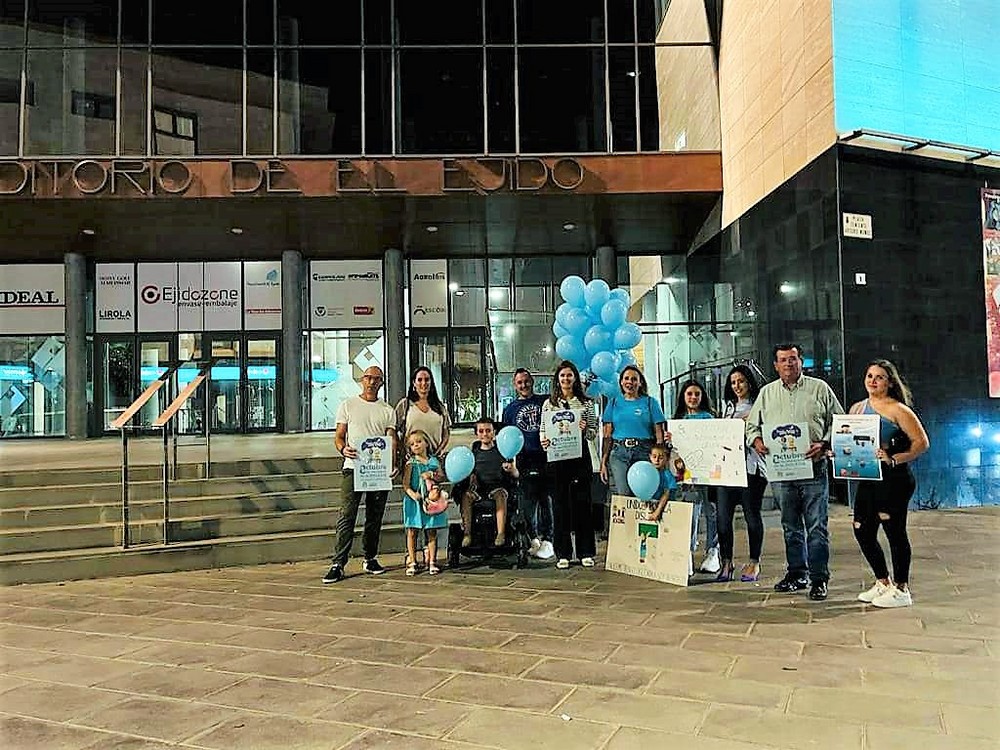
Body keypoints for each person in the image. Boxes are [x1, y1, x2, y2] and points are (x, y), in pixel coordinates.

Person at [746, 344, 845, 601]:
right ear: (776, 365)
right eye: (783, 360)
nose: (788, 364)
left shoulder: (819, 389)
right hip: (782, 473)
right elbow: (751, 427)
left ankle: (819, 579)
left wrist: (824, 443)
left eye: (793, 359)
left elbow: (840, 422)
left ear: (801, 361)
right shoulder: (767, 394)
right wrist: (756, 441)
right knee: (790, 526)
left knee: (817, 527)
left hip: (813, 469)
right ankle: (796, 574)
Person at [849, 359, 929, 608]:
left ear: (889, 382)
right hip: (868, 478)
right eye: (869, 375)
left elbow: (921, 442)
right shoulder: (857, 409)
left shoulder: (899, 410)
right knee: (861, 528)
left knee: (894, 531)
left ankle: (902, 588)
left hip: (894, 480)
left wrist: (894, 459)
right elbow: (849, 440)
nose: (873, 380)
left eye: (879, 377)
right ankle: (883, 581)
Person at [324, 366, 397, 584]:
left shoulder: (387, 410)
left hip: (377, 471)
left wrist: (392, 463)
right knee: (347, 515)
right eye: (368, 377)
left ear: (382, 382)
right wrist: (342, 448)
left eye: (376, 379)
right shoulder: (348, 405)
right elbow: (339, 436)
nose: (371, 382)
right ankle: (338, 563)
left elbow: (391, 439)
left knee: (375, 517)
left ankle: (370, 557)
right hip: (353, 467)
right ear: (361, 380)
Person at [540, 360, 598, 570]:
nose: (566, 379)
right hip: (557, 460)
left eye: (569, 375)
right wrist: (544, 441)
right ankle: (563, 553)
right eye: (562, 375)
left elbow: (593, 432)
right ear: (557, 379)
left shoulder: (587, 403)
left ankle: (586, 552)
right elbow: (543, 430)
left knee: (583, 505)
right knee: (560, 506)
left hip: (580, 459)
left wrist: (584, 429)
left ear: (575, 378)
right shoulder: (549, 404)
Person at [718, 364, 768, 582]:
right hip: (726, 470)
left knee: (752, 517)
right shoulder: (726, 408)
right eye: (733, 382)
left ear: (749, 382)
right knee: (722, 518)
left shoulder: (760, 406)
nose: (737, 386)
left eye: (741, 381)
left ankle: (754, 562)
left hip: (751, 469)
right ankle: (726, 562)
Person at [666, 379, 719, 573]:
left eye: (697, 394)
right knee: (690, 514)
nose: (693, 397)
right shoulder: (677, 420)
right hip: (687, 476)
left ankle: (713, 551)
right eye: (689, 394)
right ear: (683, 397)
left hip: (708, 474)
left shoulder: (710, 418)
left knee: (711, 512)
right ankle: (687, 551)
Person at [501, 368, 554, 559]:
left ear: (532, 381)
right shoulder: (510, 410)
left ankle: (549, 540)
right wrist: (510, 462)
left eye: (526, 381)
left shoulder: (545, 402)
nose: (523, 385)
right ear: (515, 386)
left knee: (546, 500)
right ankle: (533, 539)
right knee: (527, 503)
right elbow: (506, 438)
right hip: (523, 460)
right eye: (519, 382)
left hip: (546, 457)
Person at [599, 365, 666, 495]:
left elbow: (659, 433)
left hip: (645, 452)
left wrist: (661, 457)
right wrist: (603, 462)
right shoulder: (613, 403)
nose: (630, 382)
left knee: (644, 493)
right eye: (627, 379)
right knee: (624, 493)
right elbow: (607, 436)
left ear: (640, 382)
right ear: (621, 382)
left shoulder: (650, 402)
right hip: (619, 453)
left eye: (634, 379)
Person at [459, 418, 519, 548]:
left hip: (498, 487)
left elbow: (516, 474)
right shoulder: (473, 452)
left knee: (500, 494)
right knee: (466, 495)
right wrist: (470, 477)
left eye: (488, 431)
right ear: (477, 433)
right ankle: (467, 534)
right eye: (481, 431)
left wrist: (511, 469)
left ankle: (501, 533)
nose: (485, 434)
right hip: (479, 488)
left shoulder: (503, 450)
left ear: (494, 432)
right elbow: (468, 471)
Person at [401, 429, 449, 576]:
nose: (416, 445)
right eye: (412, 444)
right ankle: (413, 560)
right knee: (412, 531)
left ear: (426, 443)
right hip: (415, 501)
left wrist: (432, 474)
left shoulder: (433, 461)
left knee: (431, 531)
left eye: (419, 441)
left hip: (431, 500)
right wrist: (412, 494)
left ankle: (432, 561)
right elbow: (405, 484)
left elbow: (441, 477)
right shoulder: (411, 464)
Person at [395, 366, 451, 461]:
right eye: (420, 380)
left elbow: (446, 432)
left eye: (427, 380)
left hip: (434, 459)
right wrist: (403, 450)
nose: (423, 383)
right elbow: (394, 430)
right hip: (411, 460)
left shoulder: (440, 407)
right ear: (414, 383)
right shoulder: (405, 405)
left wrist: (438, 452)